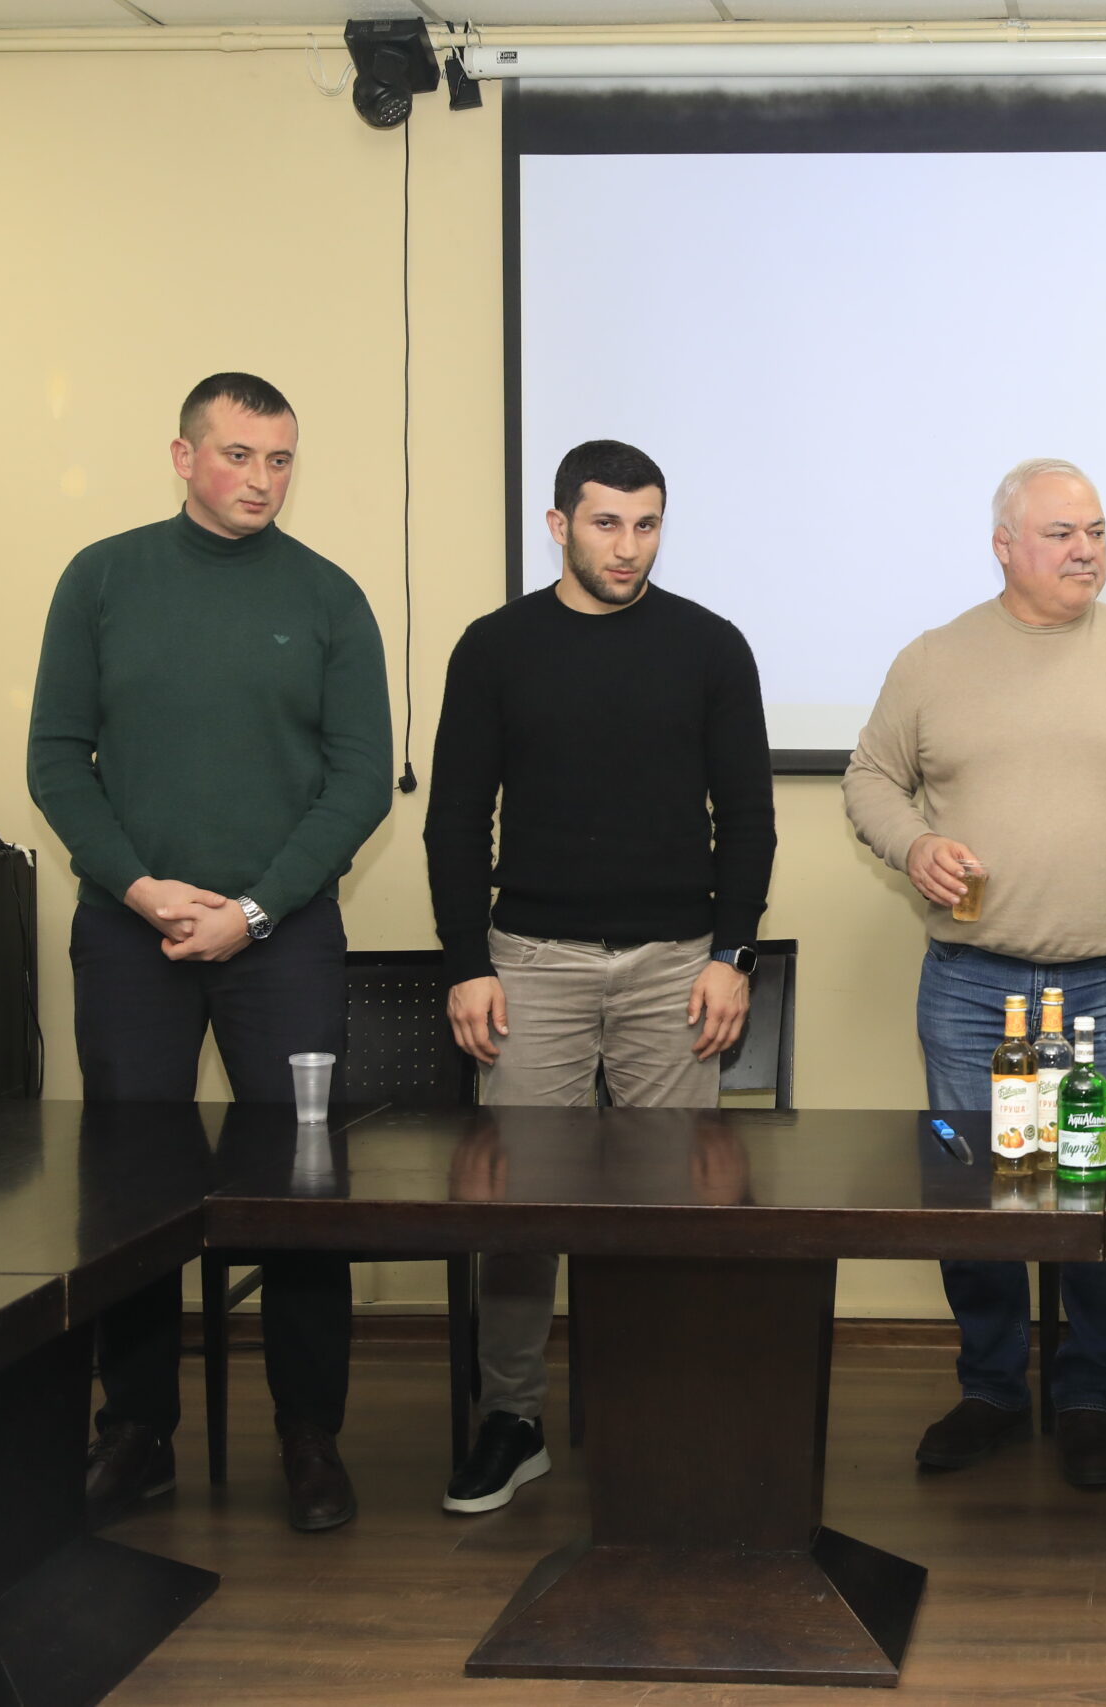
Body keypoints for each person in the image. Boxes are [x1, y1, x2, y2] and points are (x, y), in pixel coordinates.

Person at [28, 372, 393, 1533]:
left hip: (282, 937)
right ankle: (136, 1432)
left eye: (279, 460)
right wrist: (141, 889)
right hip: (128, 930)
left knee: (298, 1187)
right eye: (238, 455)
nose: (261, 480)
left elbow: (360, 780)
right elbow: (55, 758)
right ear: (184, 457)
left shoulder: (328, 596)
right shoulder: (102, 578)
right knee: (134, 1192)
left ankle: (309, 1435)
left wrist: (257, 909)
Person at [843, 457, 1106, 1489]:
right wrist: (915, 844)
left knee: (1101, 1199)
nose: (1085, 550)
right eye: (1061, 533)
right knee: (972, 1191)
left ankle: (1090, 1395)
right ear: (1004, 546)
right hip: (973, 984)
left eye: (1096, 531)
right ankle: (991, 1389)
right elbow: (870, 778)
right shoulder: (934, 659)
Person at [423, 438, 775, 1514]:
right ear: (559, 526)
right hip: (531, 965)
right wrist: (467, 965)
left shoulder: (711, 646)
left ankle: (663, 1410)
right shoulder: (496, 647)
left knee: (675, 1205)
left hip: (677, 968)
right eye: (606, 522)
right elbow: (453, 820)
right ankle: (512, 1418)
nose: (628, 546)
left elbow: (748, 819)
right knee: (518, 1206)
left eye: (647, 524)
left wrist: (731, 955)